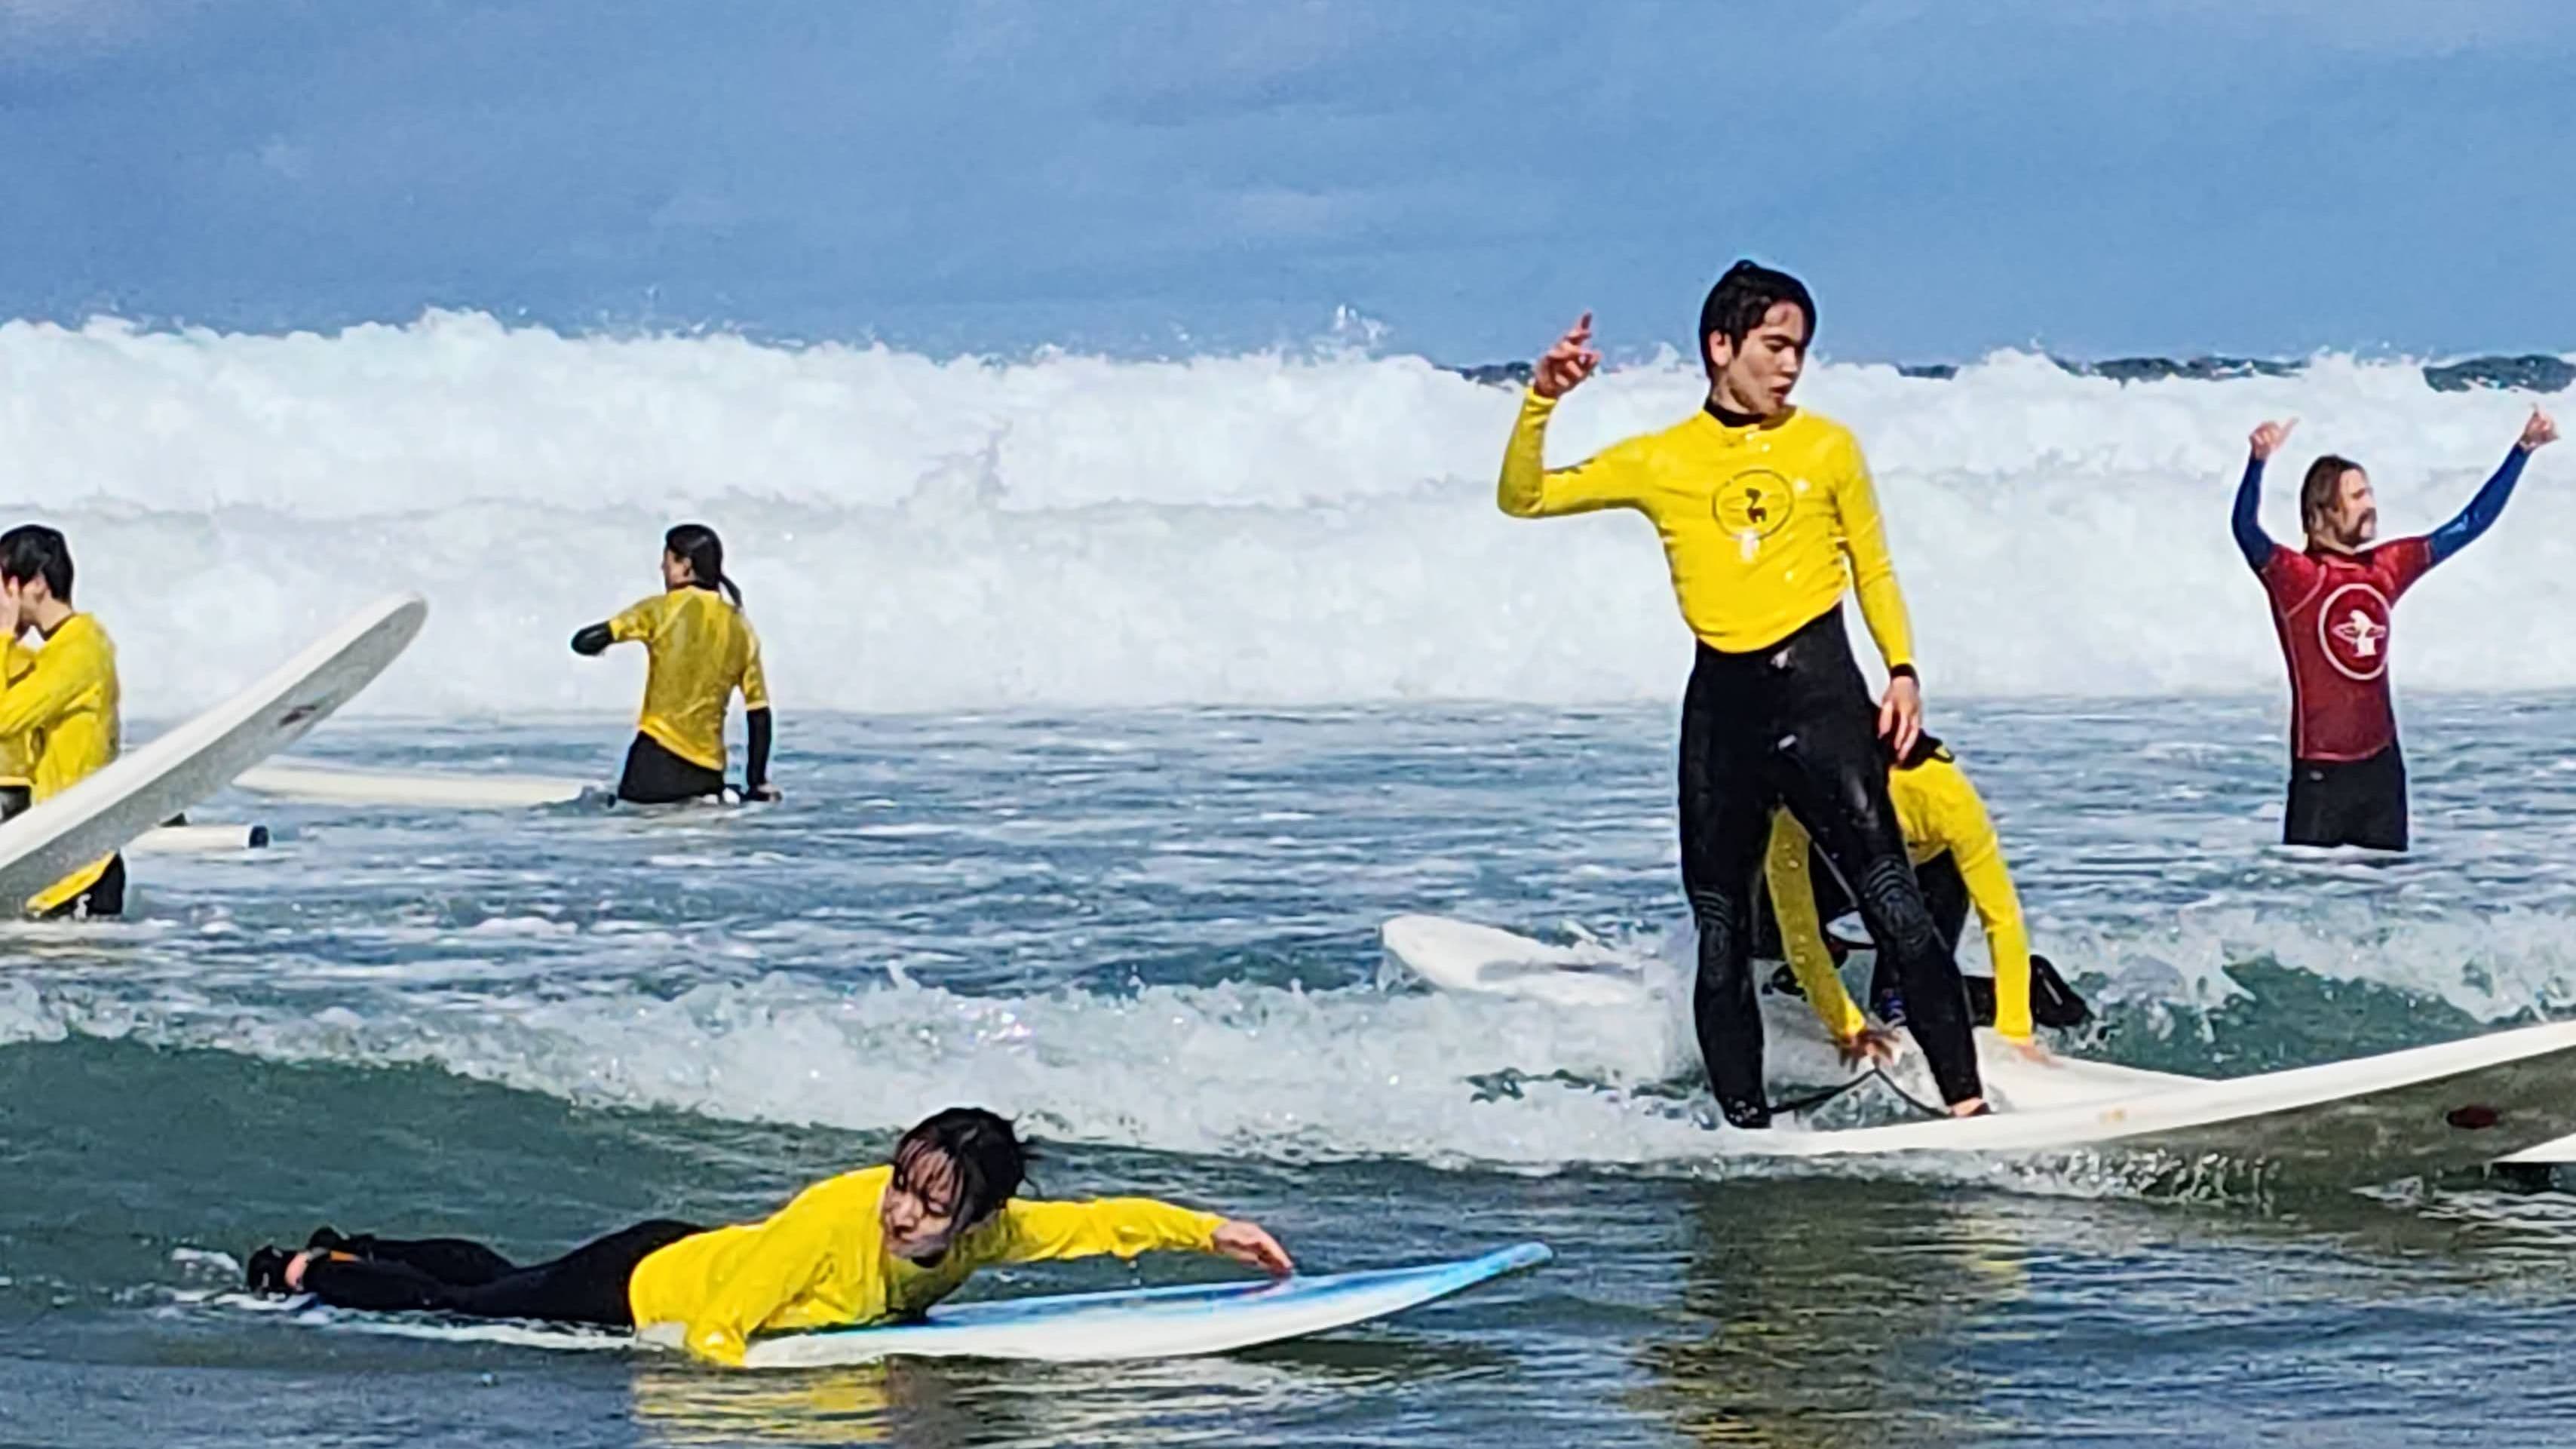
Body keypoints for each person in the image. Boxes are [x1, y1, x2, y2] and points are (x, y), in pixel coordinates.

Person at [1496, 260, 1984, 1128]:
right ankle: (1744, 1128)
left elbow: (1872, 567)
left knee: (1895, 907)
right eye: (1773, 345)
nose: (1789, 365)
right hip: (1722, 720)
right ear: (1720, 346)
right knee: (1719, 931)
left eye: (1798, 349)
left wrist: (1902, 669)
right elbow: (1523, 499)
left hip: (1823, 705)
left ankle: (1966, 1106)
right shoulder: (1661, 459)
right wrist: (1541, 402)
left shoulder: (1826, 446)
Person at [243, 1106, 1293, 1368]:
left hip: (692, 1249)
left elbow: (1100, 1224)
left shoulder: (991, 1233)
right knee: (465, 1305)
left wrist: (1215, 1232)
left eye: (929, 1205)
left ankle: (360, 1239)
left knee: (509, 1272)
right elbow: (721, 1331)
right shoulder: (835, 1220)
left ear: (975, 1219)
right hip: (644, 1287)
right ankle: (306, 1269)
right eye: (901, 1185)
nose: (903, 1211)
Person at [2234, 409, 2556, 850]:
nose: (2371, 505)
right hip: (2322, 776)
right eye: (2357, 496)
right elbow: (2246, 530)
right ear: (2323, 512)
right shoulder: (2297, 579)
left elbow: (2471, 523)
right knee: (2309, 892)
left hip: (2383, 773)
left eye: (2369, 493)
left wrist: (2523, 450)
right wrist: (2258, 463)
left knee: (2390, 891)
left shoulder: (2385, 569)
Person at [1753, 734, 2090, 1066]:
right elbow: (1797, 925)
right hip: (1842, 868)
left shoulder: (1942, 794)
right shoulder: (1801, 807)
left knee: (1902, 1003)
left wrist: (2015, 1030)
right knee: (1760, 928)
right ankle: (1819, 967)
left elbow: (2001, 916)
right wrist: (1847, 1027)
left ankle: (2029, 988)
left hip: (1933, 874)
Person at [572, 523, 778, 806]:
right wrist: (757, 783)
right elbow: (759, 714)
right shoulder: (741, 628)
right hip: (706, 775)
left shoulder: (659, 610)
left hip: (654, 766)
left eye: (667, 560)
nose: (662, 568)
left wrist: (597, 644)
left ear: (686, 567)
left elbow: (583, 642)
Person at [0, 525, 123, 917]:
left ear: (35, 584)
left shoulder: (78, 651)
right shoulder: (59, 652)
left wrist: (3, 635)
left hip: (80, 869)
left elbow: (2, 718)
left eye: (5, 587)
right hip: (56, 860)